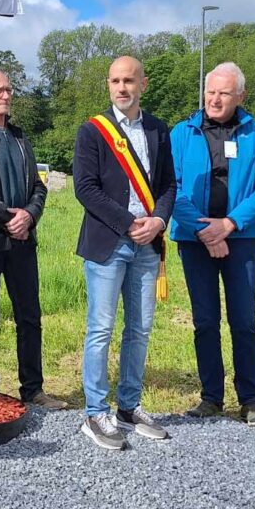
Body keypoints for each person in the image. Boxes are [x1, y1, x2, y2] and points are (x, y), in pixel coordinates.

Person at [73, 56, 176, 450]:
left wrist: (159, 221)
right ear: (108, 85)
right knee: (101, 329)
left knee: (140, 329)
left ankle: (129, 407)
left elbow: (168, 185)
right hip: (108, 243)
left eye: (129, 80)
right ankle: (96, 412)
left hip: (147, 244)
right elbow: (86, 188)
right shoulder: (93, 132)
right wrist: (129, 222)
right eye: (115, 81)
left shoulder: (157, 130)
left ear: (143, 84)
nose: (122, 87)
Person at [170, 62, 255, 430]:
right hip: (194, 239)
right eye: (210, 91)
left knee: (244, 322)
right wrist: (204, 230)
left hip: (241, 239)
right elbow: (173, 187)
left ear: (241, 97)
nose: (215, 99)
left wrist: (229, 225)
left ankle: (250, 401)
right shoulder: (182, 133)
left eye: (224, 93)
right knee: (205, 321)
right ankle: (210, 398)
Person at [0, 70, 66, 409]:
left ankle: (33, 389)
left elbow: (39, 185)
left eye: (9, 89)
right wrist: (9, 217)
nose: (6, 95)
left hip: (23, 242)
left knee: (29, 316)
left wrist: (30, 215)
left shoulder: (21, 138)